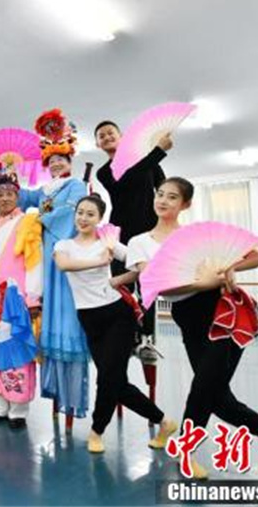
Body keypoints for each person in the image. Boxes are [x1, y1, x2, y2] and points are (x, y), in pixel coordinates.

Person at [127, 177, 258, 479]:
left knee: (205, 388)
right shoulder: (139, 242)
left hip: (222, 312)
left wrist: (231, 267)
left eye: (172, 197)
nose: (163, 201)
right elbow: (157, 285)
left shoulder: (197, 236)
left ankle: (186, 450)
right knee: (219, 399)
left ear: (186, 204)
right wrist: (207, 281)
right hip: (188, 316)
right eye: (160, 194)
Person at [54, 194, 178, 453]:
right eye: (80, 212)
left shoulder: (109, 243)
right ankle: (164, 421)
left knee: (108, 378)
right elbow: (65, 266)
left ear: (100, 219)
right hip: (88, 318)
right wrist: (100, 261)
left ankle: (96, 431)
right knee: (116, 382)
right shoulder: (64, 245)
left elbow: (142, 267)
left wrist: (118, 279)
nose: (83, 218)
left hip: (117, 315)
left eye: (90, 214)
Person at [18, 108, 89, 422]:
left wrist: (41, 219)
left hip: (64, 253)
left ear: (70, 160)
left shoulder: (77, 186)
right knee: (43, 310)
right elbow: (22, 198)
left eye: (61, 158)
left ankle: (72, 396)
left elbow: (71, 214)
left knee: (66, 314)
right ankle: (53, 388)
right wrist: (8, 171)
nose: (56, 163)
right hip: (44, 256)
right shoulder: (45, 189)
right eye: (51, 160)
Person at [95, 120, 173, 363]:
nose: (107, 137)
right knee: (122, 289)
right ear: (98, 144)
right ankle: (125, 337)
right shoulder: (104, 172)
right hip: (121, 235)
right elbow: (127, 179)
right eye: (102, 136)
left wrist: (168, 223)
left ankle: (147, 339)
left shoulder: (147, 162)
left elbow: (162, 188)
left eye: (111, 133)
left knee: (148, 288)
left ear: (122, 136)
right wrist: (158, 152)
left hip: (149, 233)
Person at [0, 168, 42, 429]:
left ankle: (18, 411)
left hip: (17, 297)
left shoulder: (29, 222)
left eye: (9, 193)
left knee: (17, 349)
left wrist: (32, 298)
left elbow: (34, 262)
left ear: (18, 195)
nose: (4, 198)